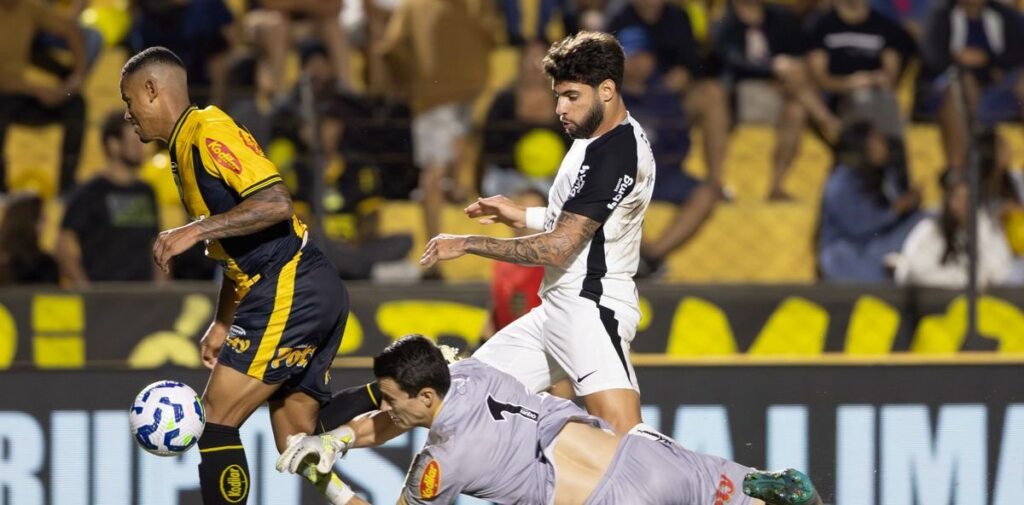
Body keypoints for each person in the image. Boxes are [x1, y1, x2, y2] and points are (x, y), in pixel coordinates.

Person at [119, 46, 361, 505]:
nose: (128, 114)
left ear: (151, 89)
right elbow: (237, 246)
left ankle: (411, 383)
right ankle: (393, 393)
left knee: (214, 420)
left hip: (290, 285)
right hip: (302, 286)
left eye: (129, 100)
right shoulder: (183, 149)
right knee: (298, 438)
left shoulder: (209, 130)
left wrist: (195, 229)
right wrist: (223, 321)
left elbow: (276, 204)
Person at [420, 32, 653, 434]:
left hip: (591, 307)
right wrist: (522, 214)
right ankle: (337, 442)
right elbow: (586, 219)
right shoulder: (592, 136)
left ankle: (729, 480)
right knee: (459, 397)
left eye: (572, 96)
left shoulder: (615, 154)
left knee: (625, 436)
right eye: (558, 96)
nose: (560, 108)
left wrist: (468, 243)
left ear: (607, 90)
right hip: (556, 308)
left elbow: (561, 246)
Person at [275, 335, 824, 505]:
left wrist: (328, 484)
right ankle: (764, 485)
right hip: (642, 456)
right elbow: (399, 419)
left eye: (390, 398)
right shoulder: (470, 371)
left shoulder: (440, 463)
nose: (384, 407)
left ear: (423, 394)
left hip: (603, 502)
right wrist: (338, 439)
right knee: (735, 491)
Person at [56, 111, 163, 287]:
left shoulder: (146, 191)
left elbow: (155, 243)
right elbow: (63, 245)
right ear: (114, 145)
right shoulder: (89, 193)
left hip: (143, 296)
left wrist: (160, 289)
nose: (142, 147)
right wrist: (86, 289)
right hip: (105, 295)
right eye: (135, 141)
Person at [0, 0, 87, 195]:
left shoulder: (29, 8)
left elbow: (70, 30)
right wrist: (38, 90)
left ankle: (67, 186)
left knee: (76, 104)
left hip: (22, 94)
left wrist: (76, 79)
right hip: (13, 95)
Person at [894, 169, 1013, 288]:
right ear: (948, 200)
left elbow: (999, 272)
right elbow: (914, 272)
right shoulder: (930, 230)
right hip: (934, 297)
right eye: (958, 198)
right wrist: (963, 278)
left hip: (977, 298)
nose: (963, 206)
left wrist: (981, 226)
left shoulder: (986, 228)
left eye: (969, 200)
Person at [0, 193, 59, 285]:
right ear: (29, 222)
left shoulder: (45, 263)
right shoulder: (44, 265)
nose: (47, 223)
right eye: (42, 218)